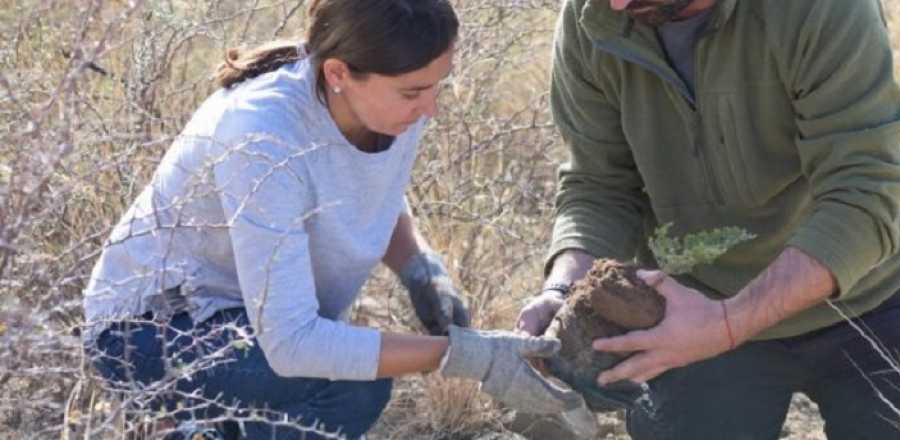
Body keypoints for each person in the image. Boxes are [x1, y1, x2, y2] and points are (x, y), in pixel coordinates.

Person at [81, 1, 581, 438]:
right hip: (152, 333)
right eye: (413, 93)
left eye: (437, 86)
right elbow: (294, 345)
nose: (431, 108)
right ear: (338, 74)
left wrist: (419, 267)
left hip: (255, 325)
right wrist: (471, 356)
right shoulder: (261, 136)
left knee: (350, 385)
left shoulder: (384, 98)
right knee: (351, 384)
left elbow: (362, 186)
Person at [516, 0, 900, 438]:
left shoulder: (823, 7)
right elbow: (599, 185)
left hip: (867, 291)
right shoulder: (589, 16)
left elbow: (863, 194)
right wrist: (562, 289)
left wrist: (728, 323)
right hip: (694, 306)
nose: (614, 6)